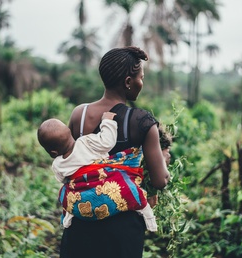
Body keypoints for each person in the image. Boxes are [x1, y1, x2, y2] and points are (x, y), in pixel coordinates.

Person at [60, 46, 170, 258]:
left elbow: (68, 162)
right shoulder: (142, 122)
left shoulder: (79, 115)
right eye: (141, 78)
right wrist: (163, 159)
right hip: (122, 230)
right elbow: (160, 181)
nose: (142, 83)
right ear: (128, 82)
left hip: (81, 221)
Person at [37, 112, 157, 232]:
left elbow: (64, 180)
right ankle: (149, 217)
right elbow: (107, 142)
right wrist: (107, 121)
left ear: (53, 153)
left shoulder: (58, 164)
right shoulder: (85, 142)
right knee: (129, 188)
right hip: (104, 183)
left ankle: (69, 215)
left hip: (82, 197)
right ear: (69, 131)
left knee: (65, 193)